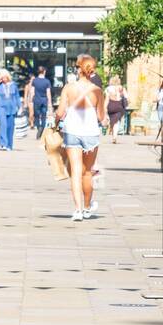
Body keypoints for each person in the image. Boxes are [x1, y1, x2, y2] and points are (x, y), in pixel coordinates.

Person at [55, 54, 108, 221]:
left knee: (76, 171)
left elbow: (60, 112)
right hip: (91, 133)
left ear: (78, 69)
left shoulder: (68, 88)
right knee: (87, 173)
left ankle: (77, 210)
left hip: (72, 131)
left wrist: (56, 122)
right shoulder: (97, 91)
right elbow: (101, 117)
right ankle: (86, 207)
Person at [0, 69, 20, 151]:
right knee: (3, 125)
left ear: (8, 76)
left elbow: (17, 96)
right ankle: (3, 144)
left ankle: (9, 145)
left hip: (12, 108)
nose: (3, 79)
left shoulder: (13, 85)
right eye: (1, 78)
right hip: (1, 107)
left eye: (4, 77)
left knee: (10, 127)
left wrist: (19, 106)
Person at [105, 75, 128, 143]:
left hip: (111, 105)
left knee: (112, 120)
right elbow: (126, 97)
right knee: (117, 122)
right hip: (119, 105)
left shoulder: (108, 88)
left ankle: (113, 133)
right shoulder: (122, 88)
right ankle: (115, 136)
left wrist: (105, 107)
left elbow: (107, 99)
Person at [31, 66, 52, 136]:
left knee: (36, 116)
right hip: (44, 100)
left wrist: (31, 100)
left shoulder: (34, 81)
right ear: (44, 72)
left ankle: (38, 127)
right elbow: (48, 93)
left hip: (36, 100)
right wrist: (50, 103)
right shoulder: (47, 82)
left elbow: (32, 92)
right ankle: (42, 128)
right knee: (43, 116)